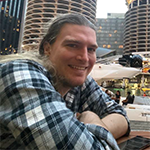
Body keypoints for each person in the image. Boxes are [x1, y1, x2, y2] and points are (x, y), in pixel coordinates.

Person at [0, 14, 130, 150]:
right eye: (73, 45)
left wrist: (88, 125)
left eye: (91, 49)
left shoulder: (78, 81)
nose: (85, 58)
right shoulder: (20, 74)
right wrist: (92, 121)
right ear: (47, 48)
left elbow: (120, 115)